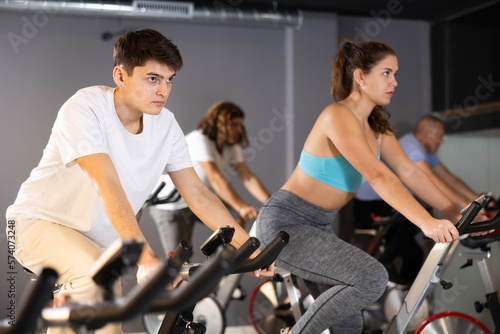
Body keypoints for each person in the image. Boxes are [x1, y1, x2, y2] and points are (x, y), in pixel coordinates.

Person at [5, 29, 273, 334]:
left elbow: (198, 193)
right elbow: (107, 184)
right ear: (121, 75)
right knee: (92, 287)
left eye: (169, 79)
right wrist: (146, 257)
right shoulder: (85, 108)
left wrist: (246, 247)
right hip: (35, 223)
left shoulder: (165, 125)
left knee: (98, 322)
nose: (163, 90)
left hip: (102, 244)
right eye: (152, 79)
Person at [255, 40, 463, 334]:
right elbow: (380, 177)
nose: (395, 82)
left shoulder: (376, 127)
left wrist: (456, 213)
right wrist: (427, 222)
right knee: (372, 278)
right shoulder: (337, 115)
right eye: (387, 73)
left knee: (349, 324)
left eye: (395, 74)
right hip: (287, 225)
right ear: (360, 76)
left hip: (318, 226)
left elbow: (409, 171)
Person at [353, 114, 482, 283]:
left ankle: (405, 300)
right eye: (439, 135)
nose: (442, 140)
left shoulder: (426, 152)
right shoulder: (411, 148)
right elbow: (432, 181)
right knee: (419, 214)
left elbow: (449, 179)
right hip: (369, 206)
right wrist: (464, 209)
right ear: (425, 134)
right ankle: (381, 266)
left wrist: (476, 202)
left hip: (389, 205)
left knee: (414, 255)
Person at [149, 101, 270, 256]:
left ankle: (224, 260)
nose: (239, 129)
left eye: (240, 124)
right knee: (179, 260)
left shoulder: (230, 146)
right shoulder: (199, 140)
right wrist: (241, 206)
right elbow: (215, 178)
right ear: (220, 124)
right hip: (170, 206)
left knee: (234, 219)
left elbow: (247, 176)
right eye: (234, 124)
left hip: (196, 199)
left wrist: (270, 202)